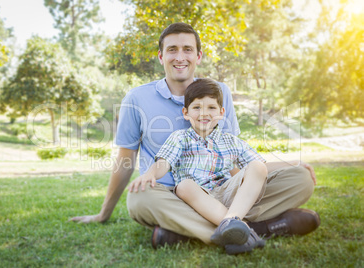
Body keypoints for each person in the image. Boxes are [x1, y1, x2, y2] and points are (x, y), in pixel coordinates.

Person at [70, 22, 320, 254]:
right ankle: (254, 229)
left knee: (301, 178)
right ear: (161, 56)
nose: (180, 57)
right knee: (139, 197)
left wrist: (289, 166)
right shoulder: (136, 99)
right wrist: (104, 213)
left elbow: (235, 161)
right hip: (171, 195)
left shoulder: (219, 92)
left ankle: (192, 231)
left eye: (188, 49)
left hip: (223, 189)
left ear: (198, 56)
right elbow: (126, 159)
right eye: (172, 50)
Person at [128, 78, 269, 254]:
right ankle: (246, 230)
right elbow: (163, 162)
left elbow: (261, 167)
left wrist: (296, 164)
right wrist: (150, 174)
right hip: (194, 199)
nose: (204, 113)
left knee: (258, 166)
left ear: (221, 112)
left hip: (228, 195)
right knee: (184, 185)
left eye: (211, 107)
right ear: (186, 112)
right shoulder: (180, 138)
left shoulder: (232, 141)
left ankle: (231, 221)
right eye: (197, 107)